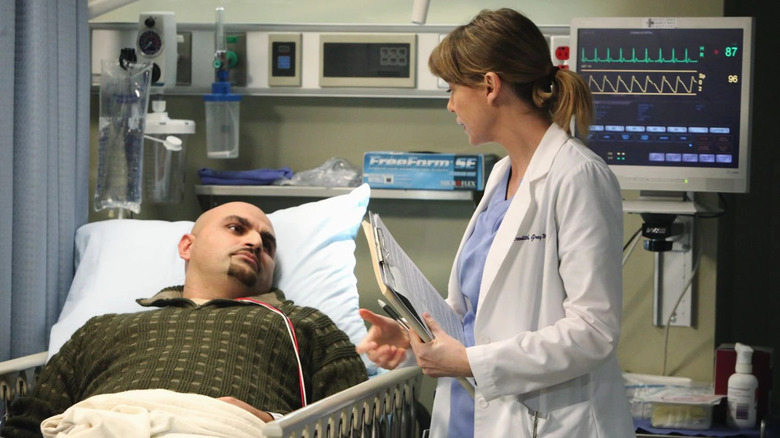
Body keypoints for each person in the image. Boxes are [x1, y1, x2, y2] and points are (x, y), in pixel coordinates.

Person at [356, 8, 634, 437]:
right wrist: (414, 335)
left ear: (490, 85)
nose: (450, 104)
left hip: (550, 421)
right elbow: (473, 318)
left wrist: (470, 362)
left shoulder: (578, 175)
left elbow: (593, 331)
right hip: (473, 414)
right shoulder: (502, 175)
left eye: (452, 89)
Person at [2, 202, 368, 438]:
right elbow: (30, 421)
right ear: (187, 247)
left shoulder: (303, 324)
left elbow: (360, 419)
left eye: (268, 244)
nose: (256, 242)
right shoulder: (101, 328)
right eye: (237, 228)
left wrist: (275, 422)